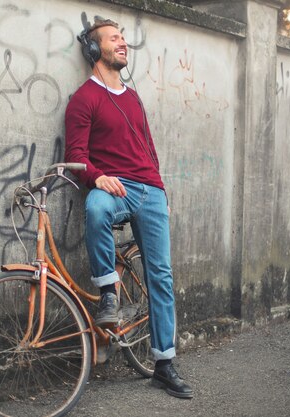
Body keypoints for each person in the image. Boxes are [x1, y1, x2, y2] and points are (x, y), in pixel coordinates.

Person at [64, 17, 193, 399]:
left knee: (162, 278)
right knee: (96, 207)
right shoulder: (83, 99)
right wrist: (97, 177)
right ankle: (108, 294)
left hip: (150, 191)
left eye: (123, 38)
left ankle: (164, 366)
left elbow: (148, 148)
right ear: (93, 50)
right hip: (116, 187)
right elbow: (76, 157)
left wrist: (160, 191)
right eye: (114, 39)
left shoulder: (133, 98)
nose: (123, 44)